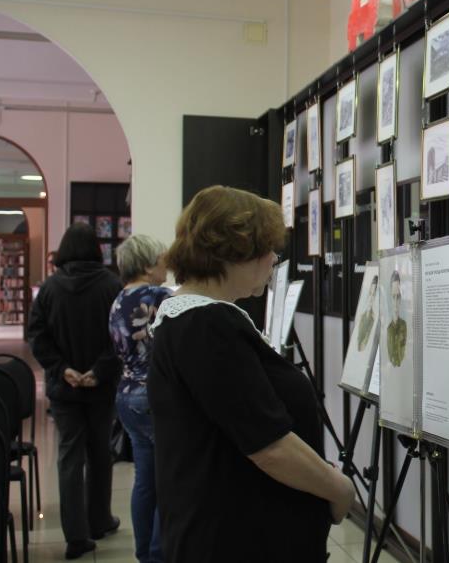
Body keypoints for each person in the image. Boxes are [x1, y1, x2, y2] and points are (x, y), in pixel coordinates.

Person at [147, 186, 354, 563]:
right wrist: (339, 489)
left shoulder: (195, 318)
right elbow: (268, 445)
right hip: (238, 538)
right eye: (266, 248)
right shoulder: (205, 325)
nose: (273, 258)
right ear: (233, 252)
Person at [27, 223, 122, 559]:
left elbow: (36, 335)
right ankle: (99, 520)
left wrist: (61, 368)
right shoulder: (111, 285)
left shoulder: (50, 288)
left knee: (69, 458)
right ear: (96, 249)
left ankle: (76, 536)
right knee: (100, 453)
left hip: (63, 388)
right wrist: (100, 370)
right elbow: (120, 337)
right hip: (101, 387)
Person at [109, 234, 172, 563]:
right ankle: (160, 553)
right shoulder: (159, 296)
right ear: (148, 266)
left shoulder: (119, 299)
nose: (167, 264)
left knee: (145, 480)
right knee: (169, 479)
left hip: (127, 395)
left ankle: (144, 553)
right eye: (162, 259)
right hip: (155, 396)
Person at [386, 270, 407, 366]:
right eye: (393, 296)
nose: (395, 303)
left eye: (398, 297)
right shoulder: (388, 328)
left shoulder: (404, 325)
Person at [356, 275, 378, 351]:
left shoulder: (374, 319)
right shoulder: (361, 316)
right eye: (370, 293)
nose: (371, 298)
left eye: (374, 295)